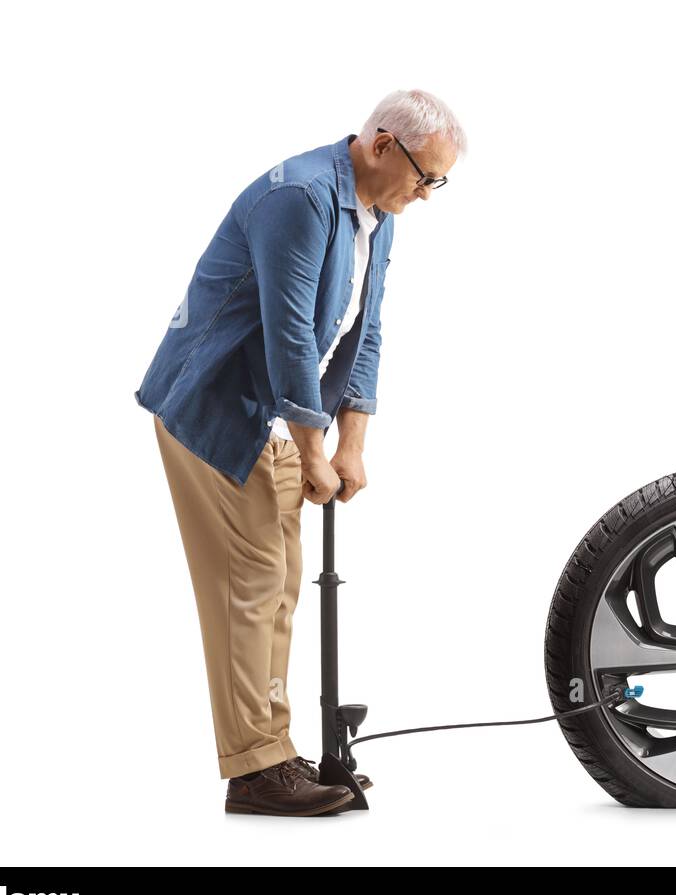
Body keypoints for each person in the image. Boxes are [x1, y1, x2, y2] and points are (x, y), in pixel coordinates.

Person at [134, 89, 466, 816]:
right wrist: (314, 450)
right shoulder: (303, 197)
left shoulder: (376, 213)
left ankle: (275, 752)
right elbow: (289, 336)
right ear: (382, 144)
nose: (426, 194)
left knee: (280, 585)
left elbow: (365, 331)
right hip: (219, 407)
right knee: (249, 588)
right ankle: (255, 771)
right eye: (423, 176)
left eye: (437, 181)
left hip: (282, 416)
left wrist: (351, 445)